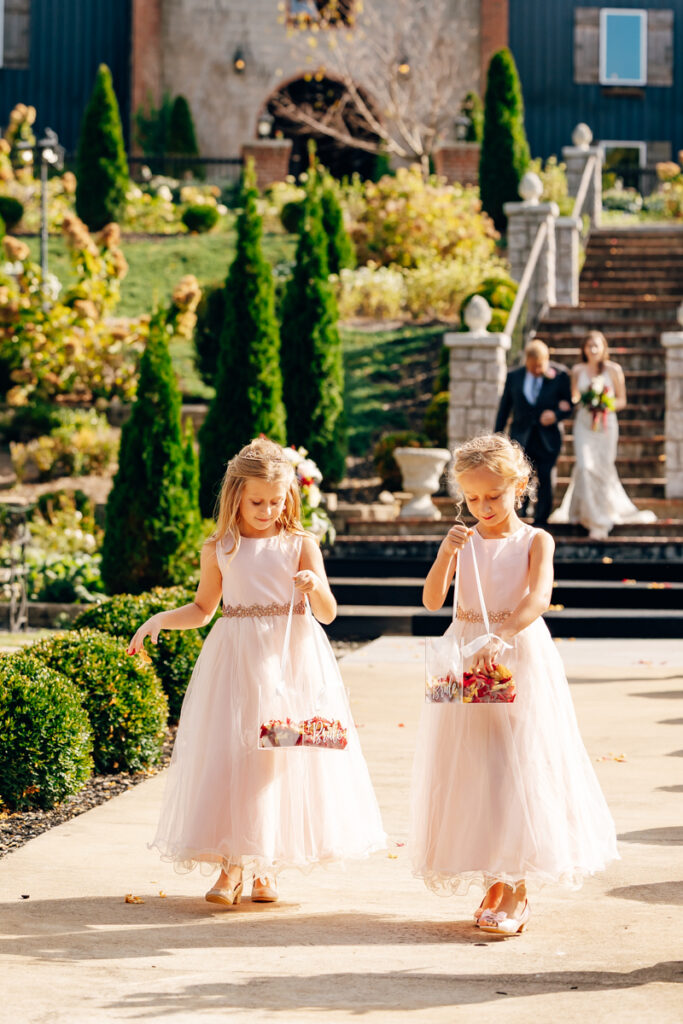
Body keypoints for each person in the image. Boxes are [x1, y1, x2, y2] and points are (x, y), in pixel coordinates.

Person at [128, 437, 385, 907]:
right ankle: (231, 866)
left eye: (276, 500)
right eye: (257, 502)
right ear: (236, 497)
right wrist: (160, 618)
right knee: (234, 756)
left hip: (290, 659)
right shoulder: (221, 547)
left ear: (290, 495)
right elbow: (204, 608)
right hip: (237, 662)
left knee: (277, 757)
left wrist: (313, 587)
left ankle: (265, 866)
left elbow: (328, 613)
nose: (267, 510)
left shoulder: (301, 545)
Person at [411, 433, 618, 935]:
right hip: (463, 656)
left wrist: (499, 635)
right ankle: (493, 878)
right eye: (472, 498)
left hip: (515, 653)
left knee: (517, 766)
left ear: (519, 486)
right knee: (473, 767)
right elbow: (433, 601)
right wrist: (445, 554)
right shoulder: (464, 539)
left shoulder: (535, 540)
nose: (482, 506)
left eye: (493, 496)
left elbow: (540, 597)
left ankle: (518, 885)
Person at [549, 330, 656, 539]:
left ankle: (600, 511)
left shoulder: (613, 369)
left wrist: (604, 404)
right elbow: (574, 396)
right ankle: (592, 517)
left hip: (606, 425)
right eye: (589, 346)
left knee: (603, 468)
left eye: (597, 345)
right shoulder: (578, 370)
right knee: (584, 466)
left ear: (604, 348)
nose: (593, 349)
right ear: (584, 349)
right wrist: (576, 400)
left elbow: (622, 399)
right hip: (584, 424)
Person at [494, 340, 572, 525]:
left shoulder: (560, 375)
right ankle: (519, 517)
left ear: (547, 359)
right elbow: (504, 409)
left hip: (548, 439)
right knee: (520, 478)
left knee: (546, 476)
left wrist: (556, 415)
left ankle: (541, 521)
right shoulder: (514, 377)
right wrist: (497, 438)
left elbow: (569, 406)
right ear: (526, 361)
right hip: (521, 437)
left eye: (540, 365)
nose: (537, 370)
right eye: (533, 366)